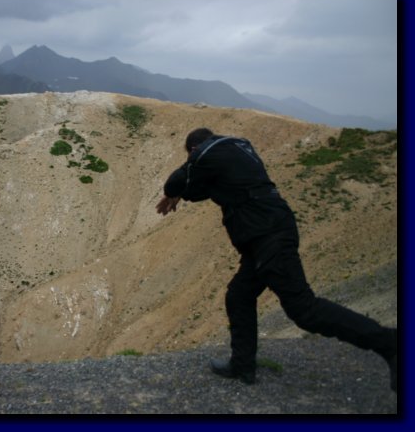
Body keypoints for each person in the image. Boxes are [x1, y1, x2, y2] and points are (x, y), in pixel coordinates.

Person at [156, 127, 397, 390]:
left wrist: (177, 187)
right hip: (267, 234)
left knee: (304, 310)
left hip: (268, 237)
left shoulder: (207, 152)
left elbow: (174, 183)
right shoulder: (236, 147)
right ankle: (242, 365)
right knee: (239, 295)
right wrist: (185, 192)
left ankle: (390, 343)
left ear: (193, 149)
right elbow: (204, 188)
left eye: (191, 154)